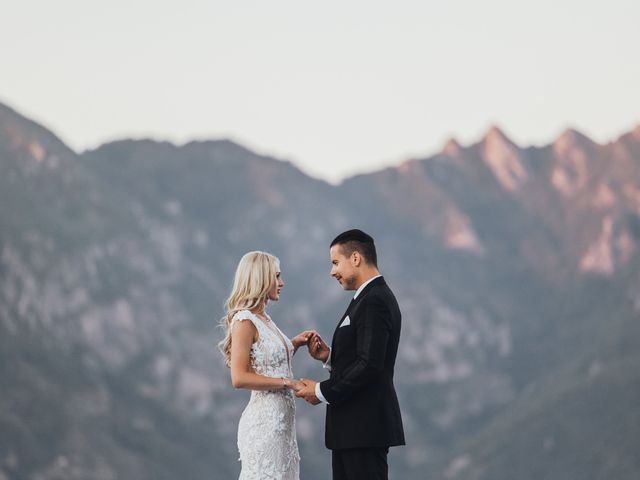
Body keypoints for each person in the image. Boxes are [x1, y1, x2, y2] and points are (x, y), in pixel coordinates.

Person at [295, 229, 405, 480]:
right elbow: (365, 356)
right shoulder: (366, 298)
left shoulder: (374, 299)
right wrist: (330, 358)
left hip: (364, 430)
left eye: (335, 262)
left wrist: (321, 391)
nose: (332, 271)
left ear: (355, 258)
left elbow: (370, 365)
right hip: (353, 432)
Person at [219, 251, 315, 480]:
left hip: (283, 425)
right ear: (261, 278)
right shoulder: (244, 320)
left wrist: (294, 344)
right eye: (277, 276)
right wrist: (288, 383)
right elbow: (239, 377)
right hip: (264, 424)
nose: (282, 283)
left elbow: (266, 359)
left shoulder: (264, 318)